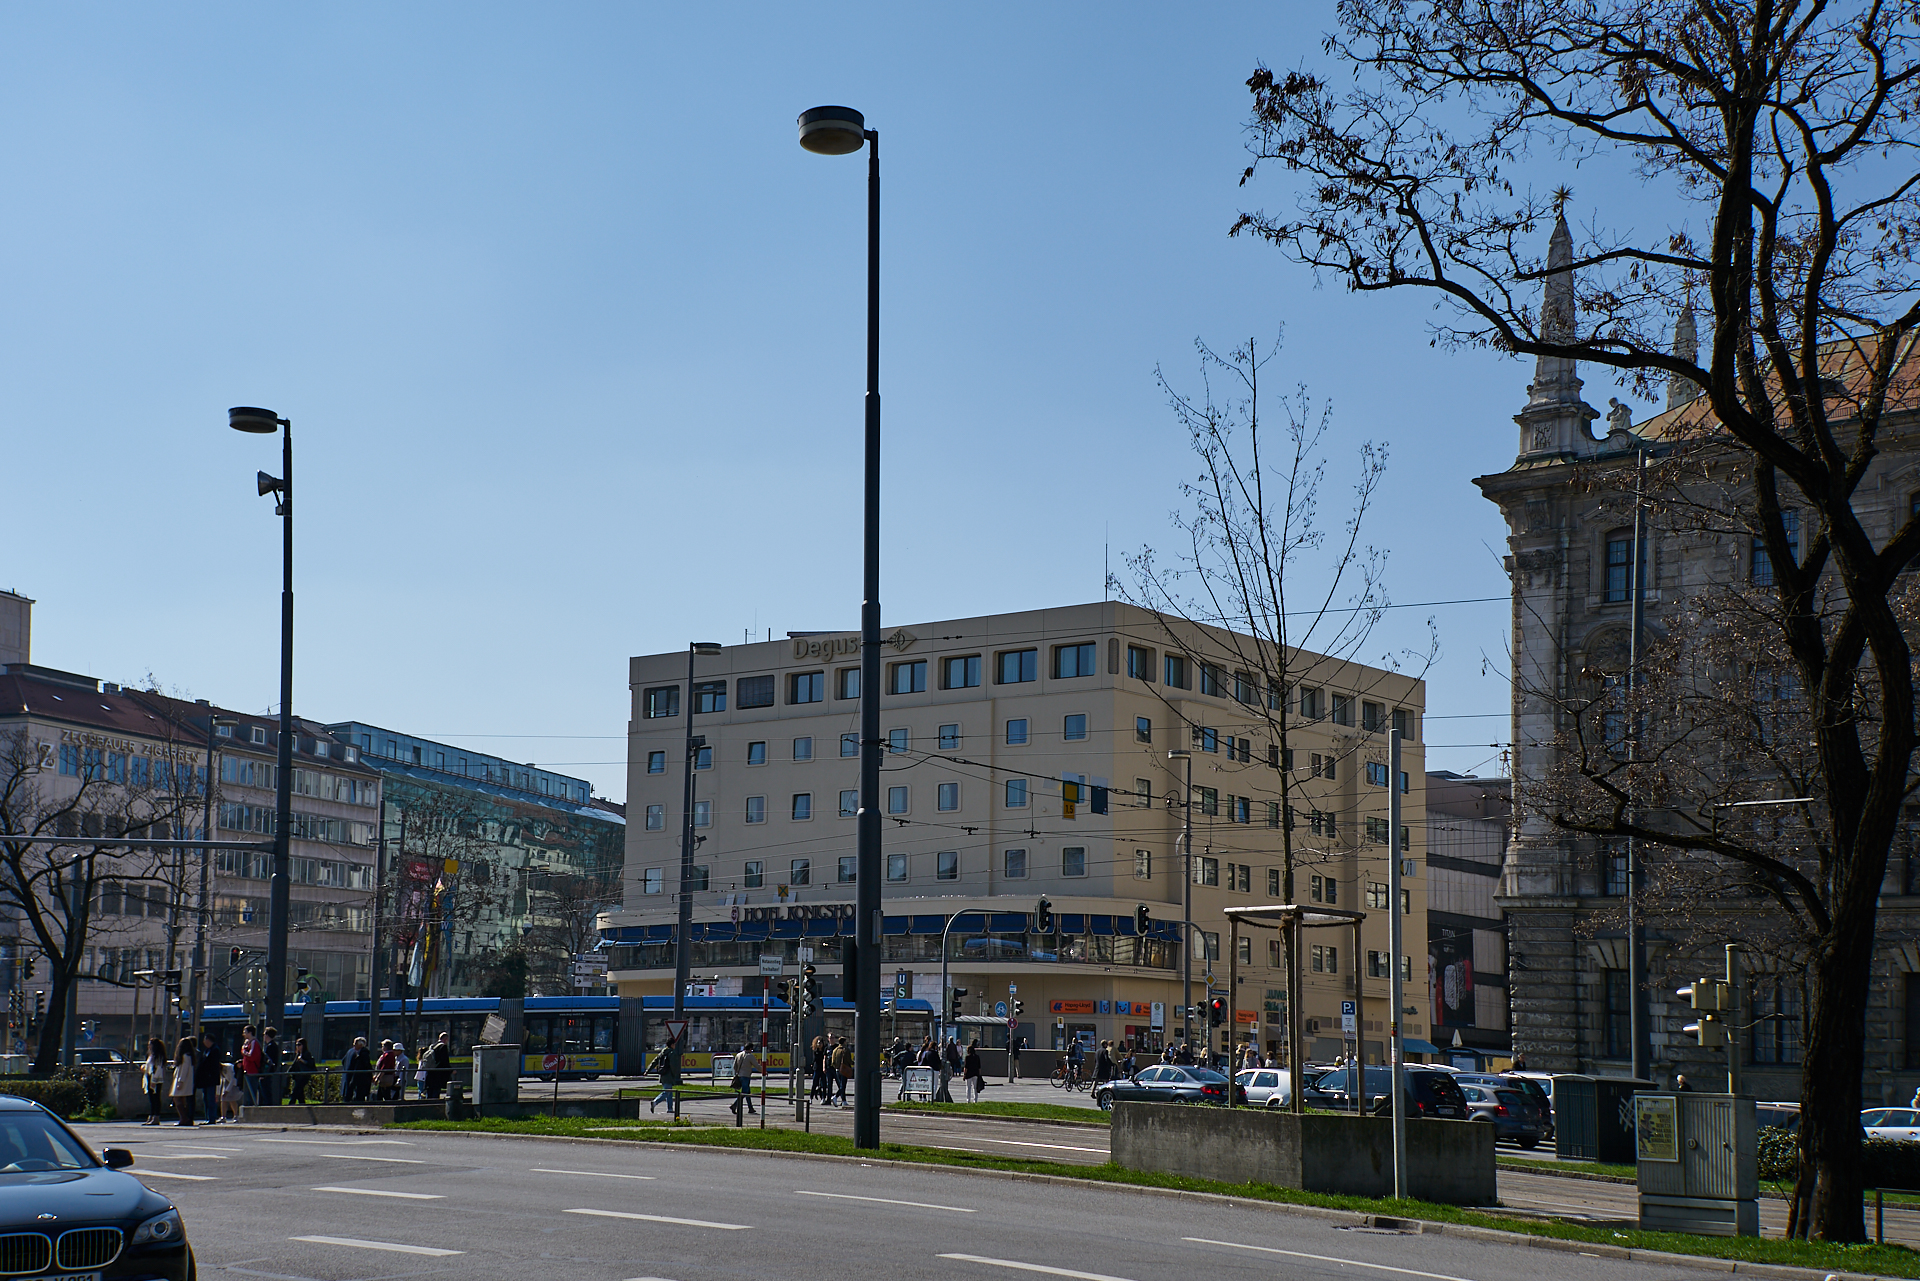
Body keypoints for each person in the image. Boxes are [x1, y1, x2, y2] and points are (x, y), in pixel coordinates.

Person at [647, 1038, 681, 1113]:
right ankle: (655, 1102)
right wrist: (674, 1074)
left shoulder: (662, 1052)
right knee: (666, 1092)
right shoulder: (672, 1053)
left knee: (669, 1092)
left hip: (662, 1074)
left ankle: (670, 1108)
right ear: (672, 1045)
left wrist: (647, 1070)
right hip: (668, 1075)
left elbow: (655, 1061)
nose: (675, 1046)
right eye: (674, 1044)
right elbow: (673, 1065)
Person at [195, 1032, 224, 1123]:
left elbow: (213, 1065)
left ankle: (212, 1117)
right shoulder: (207, 1050)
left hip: (211, 1078)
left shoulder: (215, 1050)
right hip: (205, 1079)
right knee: (206, 1099)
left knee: (211, 1098)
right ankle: (207, 1117)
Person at [169, 1036, 197, 1126]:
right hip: (185, 1081)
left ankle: (183, 1117)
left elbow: (184, 1070)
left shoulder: (185, 1057)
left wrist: (180, 1081)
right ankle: (184, 1118)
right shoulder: (189, 1057)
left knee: (177, 1098)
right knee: (181, 1100)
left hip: (182, 1081)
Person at [142, 1037, 168, 1125]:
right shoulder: (151, 1055)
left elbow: (158, 1069)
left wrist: (154, 1080)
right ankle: (151, 1115)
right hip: (149, 1077)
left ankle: (156, 1116)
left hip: (156, 1079)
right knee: (151, 1099)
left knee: (156, 1098)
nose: (148, 1046)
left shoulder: (158, 1056)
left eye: (150, 1044)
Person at [238, 1025, 265, 1106]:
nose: (243, 1034)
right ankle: (248, 1104)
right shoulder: (248, 1042)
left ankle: (251, 1106)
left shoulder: (254, 1043)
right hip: (247, 1071)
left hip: (253, 1071)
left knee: (251, 1091)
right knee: (247, 1091)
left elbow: (252, 1056)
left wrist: (244, 1050)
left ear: (250, 1033)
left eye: (245, 1032)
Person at [730, 1043, 759, 1116]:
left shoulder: (738, 1055)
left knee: (748, 1092)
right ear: (750, 1049)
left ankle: (750, 1108)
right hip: (746, 1076)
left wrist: (738, 1072)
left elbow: (734, 1066)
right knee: (744, 1093)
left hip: (740, 1075)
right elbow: (756, 1065)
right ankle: (734, 1105)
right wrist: (763, 1071)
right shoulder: (750, 1056)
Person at [342, 1036, 372, 1102]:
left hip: (348, 1076)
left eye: (355, 1043)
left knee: (348, 1096)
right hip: (359, 1078)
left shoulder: (350, 1052)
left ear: (360, 1045)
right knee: (359, 1097)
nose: (353, 1045)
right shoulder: (363, 1053)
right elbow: (366, 1065)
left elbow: (343, 1061)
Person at [424, 1032, 453, 1099]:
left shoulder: (432, 1046)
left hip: (430, 1072)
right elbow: (444, 1061)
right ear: (446, 1039)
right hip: (438, 1073)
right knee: (436, 1091)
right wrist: (450, 1070)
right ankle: (434, 1105)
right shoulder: (443, 1047)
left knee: (430, 1091)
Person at [289, 1037, 318, 1104]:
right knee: (300, 1094)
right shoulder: (298, 1055)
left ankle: (290, 1105)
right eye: (296, 1045)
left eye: (299, 1045)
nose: (297, 1047)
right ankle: (302, 1105)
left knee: (295, 1091)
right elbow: (294, 1065)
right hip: (298, 1076)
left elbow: (310, 1063)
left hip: (304, 1076)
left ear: (303, 1045)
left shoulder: (306, 1054)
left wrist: (302, 1060)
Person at [261, 1026, 284, 1106]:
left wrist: (263, 1073)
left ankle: (267, 1106)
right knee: (266, 1090)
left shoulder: (270, 1046)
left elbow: (267, 1061)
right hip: (270, 1071)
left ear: (267, 1035)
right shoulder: (273, 1045)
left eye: (264, 1034)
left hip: (267, 1072)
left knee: (266, 1091)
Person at [219, 1057, 244, 1122]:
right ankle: (223, 1117)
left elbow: (232, 1080)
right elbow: (220, 1080)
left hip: (232, 1083)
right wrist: (218, 1092)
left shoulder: (229, 1067)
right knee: (223, 1099)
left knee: (231, 1099)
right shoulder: (220, 1071)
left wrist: (227, 1091)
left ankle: (236, 1115)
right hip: (226, 1081)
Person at [831, 1037, 853, 1106]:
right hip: (844, 1070)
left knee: (841, 1085)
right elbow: (848, 1060)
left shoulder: (835, 1050)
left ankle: (844, 1100)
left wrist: (836, 1067)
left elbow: (833, 1061)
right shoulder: (846, 1050)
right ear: (844, 1042)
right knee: (843, 1086)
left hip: (837, 1069)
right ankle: (836, 1097)